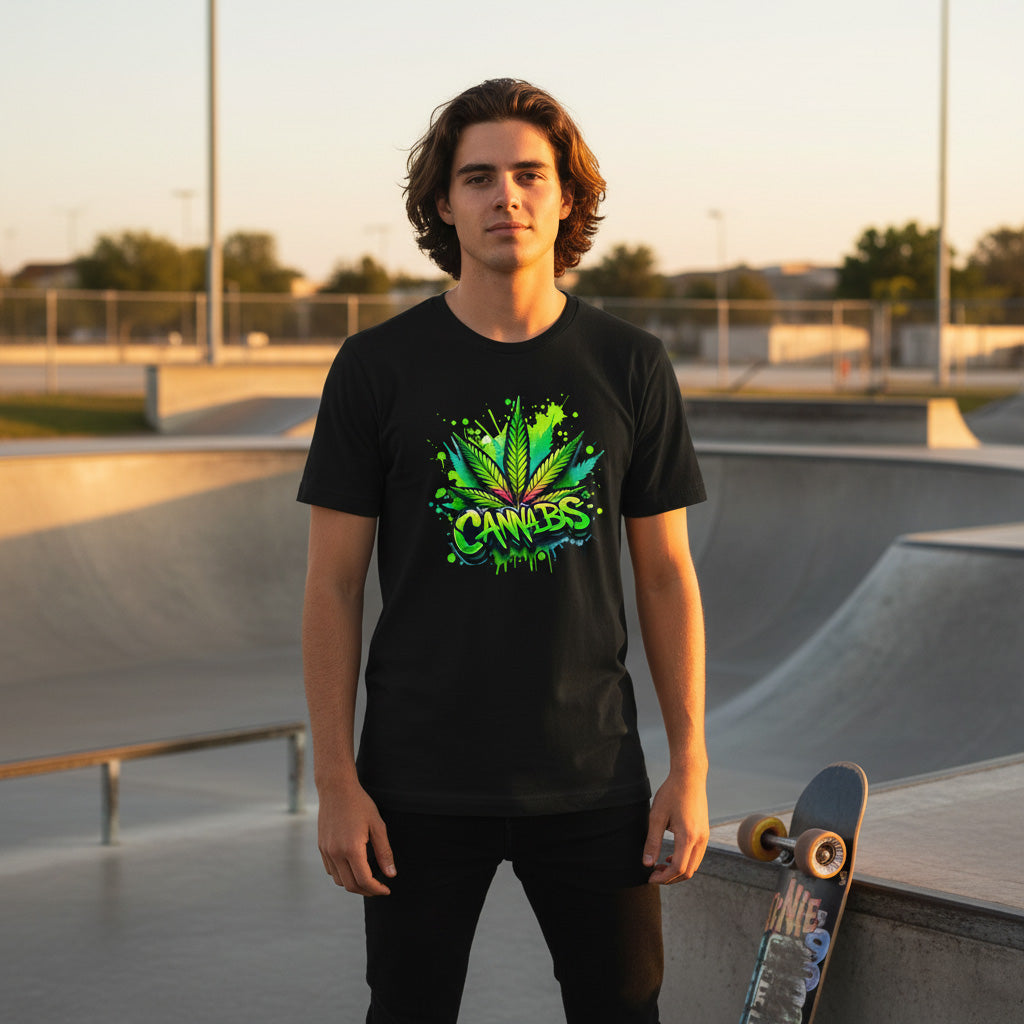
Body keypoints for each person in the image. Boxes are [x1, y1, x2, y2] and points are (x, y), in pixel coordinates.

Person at [298, 78, 709, 1024]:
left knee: (624, 1011)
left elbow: (666, 574)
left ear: (567, 196)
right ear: (443, 203)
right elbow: (331, 585)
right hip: (416, 780)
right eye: (477, 177)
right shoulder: (377, 366)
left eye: (530, 174)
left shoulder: (630, 364)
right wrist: (336, 781)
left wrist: (686, 764)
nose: (506, 197)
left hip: (592, 772)